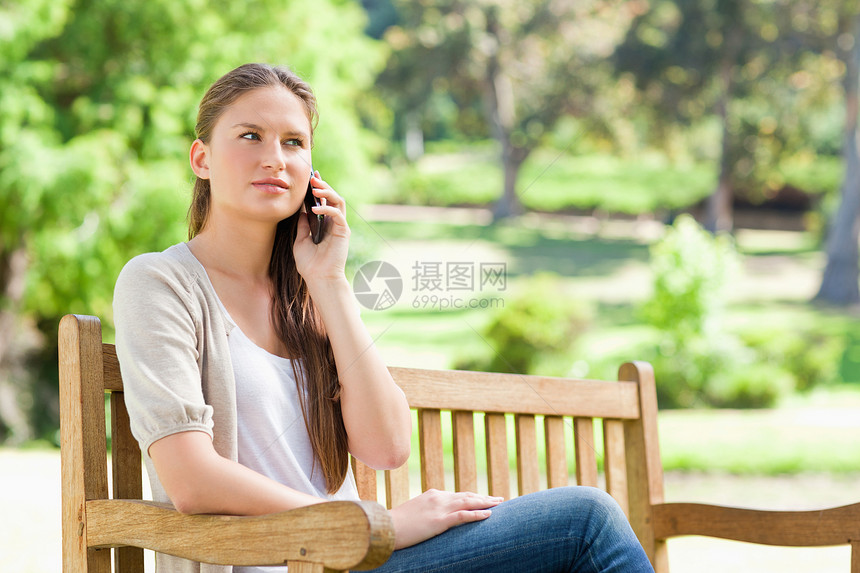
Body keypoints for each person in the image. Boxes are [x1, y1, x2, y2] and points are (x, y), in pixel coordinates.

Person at [113, 62, 654, 573]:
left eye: (293, 142)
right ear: (201, 159)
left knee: (585, 525)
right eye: (250, 136)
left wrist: (329, 282)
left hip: (352, 553)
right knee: (586, 521)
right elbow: (190, 477)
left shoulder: (310, 298)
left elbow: (387, 448)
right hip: (289, 559)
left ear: (311, 170)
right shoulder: (161, 283)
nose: (275, 158)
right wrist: (373, 526)